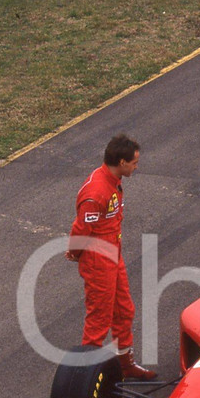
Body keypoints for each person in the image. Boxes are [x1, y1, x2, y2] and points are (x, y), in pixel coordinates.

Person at [65, 133, 156, 380]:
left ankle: (124, 364)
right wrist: (75, 252)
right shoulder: (96, 192)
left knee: (124, 310)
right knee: (99, 320)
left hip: (113, 255)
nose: (137, 167)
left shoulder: (112, 181)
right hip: (98, 261)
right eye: (134, 163)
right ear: (122, 162)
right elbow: (81, 229)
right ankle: (84, 378)